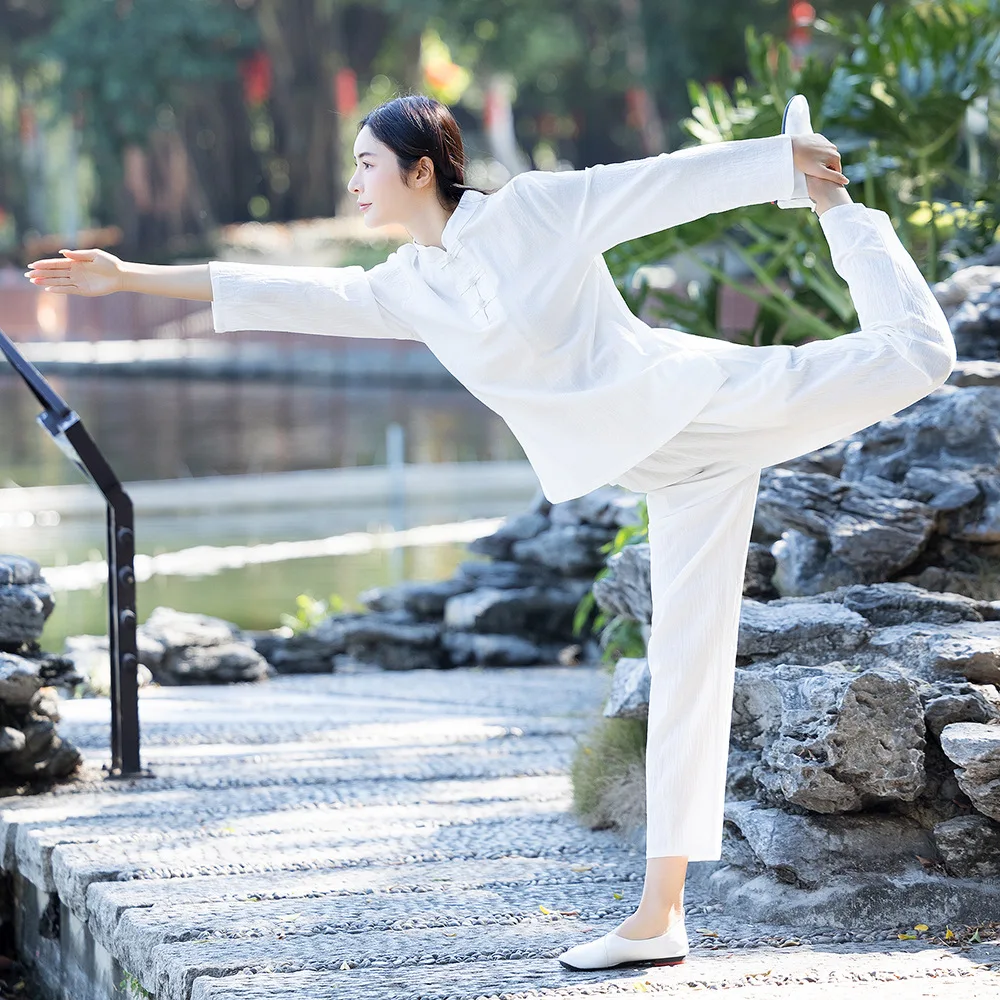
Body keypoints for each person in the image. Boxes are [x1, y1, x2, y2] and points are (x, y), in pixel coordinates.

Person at [23, 94, 956, 972]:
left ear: (421, 170)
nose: (353, 181)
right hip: (664, 466)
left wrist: (787, 167)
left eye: (366, 163)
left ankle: (843, 212)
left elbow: (657, 182)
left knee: (921, 353)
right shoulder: (407, 287)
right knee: (687, 666)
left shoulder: (532, 214)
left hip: (696, 403)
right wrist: (127, 276)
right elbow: (286, 290)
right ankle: (660, 918)